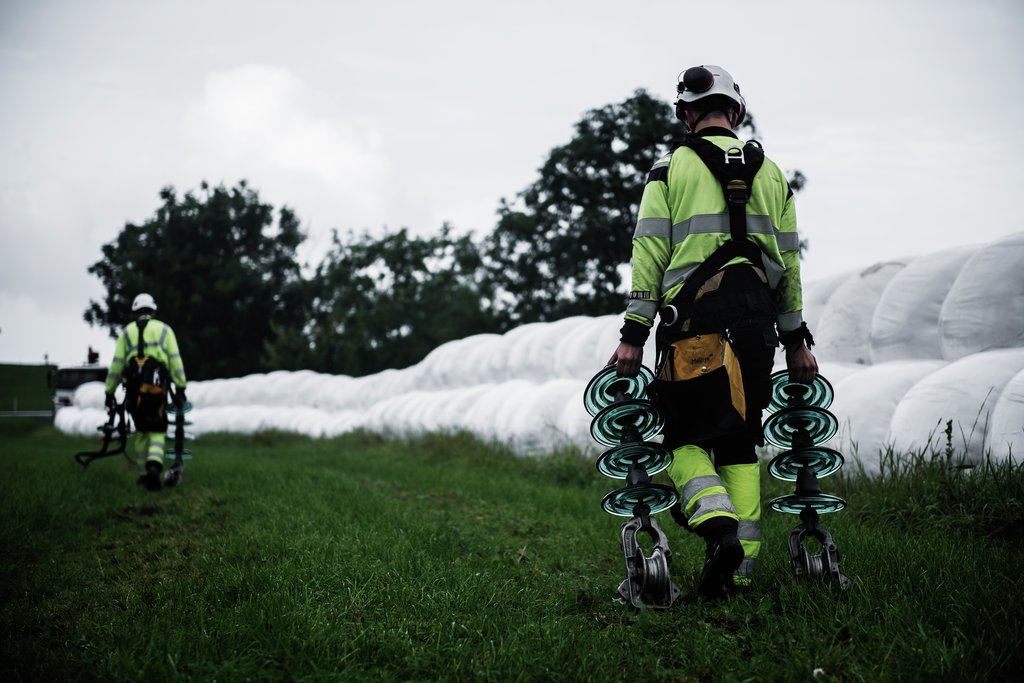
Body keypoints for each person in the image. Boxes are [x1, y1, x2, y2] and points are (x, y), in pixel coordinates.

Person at [608, 65, 817, 599]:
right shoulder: (772, 174)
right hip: (758, 328)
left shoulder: (669, 169)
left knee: (684, 437)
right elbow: (790, 264)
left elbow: (649, 250)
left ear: (686, 114)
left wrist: (634, 331)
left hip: (695, 325)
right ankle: (738, 578)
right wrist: (796, 341)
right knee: (741, 441)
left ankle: (719, 530)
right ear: (736, 112)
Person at [103, 293, 188, 491]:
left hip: (135, 390)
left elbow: (117, 365)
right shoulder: (165, 330)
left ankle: (144, 476)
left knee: (141, 431)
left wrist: (109, 391)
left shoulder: (126, 333)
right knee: (157, 428)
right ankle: (154, 467)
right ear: (153, 311)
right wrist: (181, 386)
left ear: (135, 312)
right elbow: (175, 360)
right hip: (157, 389)